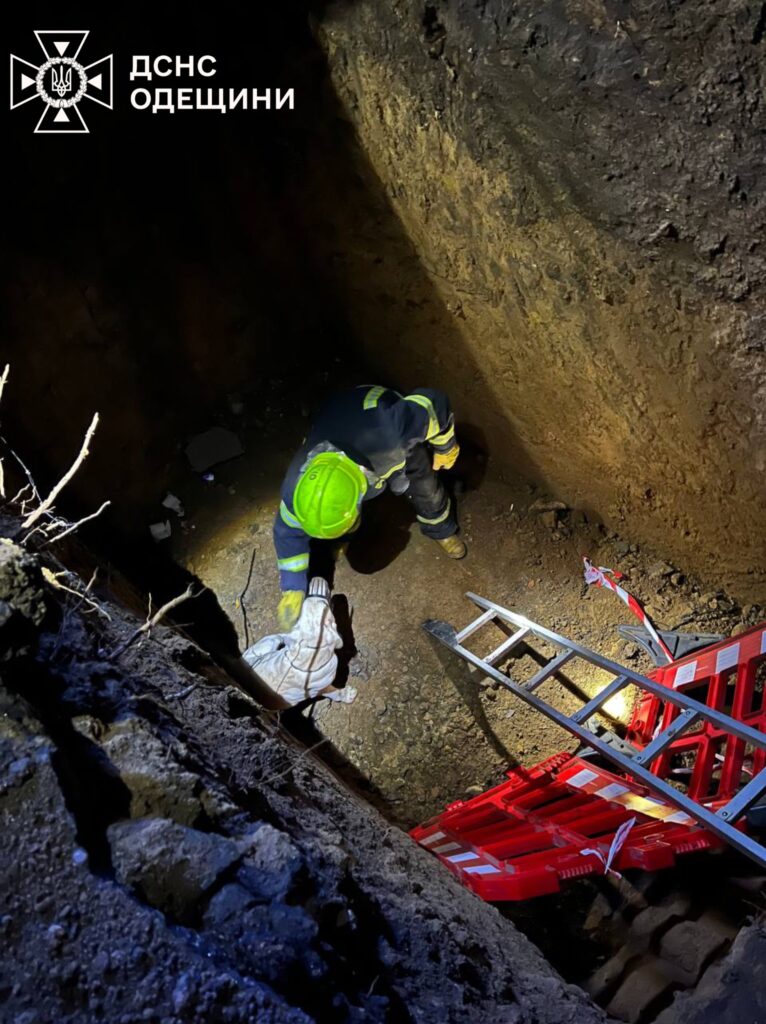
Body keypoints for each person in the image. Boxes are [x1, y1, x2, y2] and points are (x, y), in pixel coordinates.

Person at [273, 384, 465, 630]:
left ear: (362, 490)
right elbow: (287, 532)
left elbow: (436, 403)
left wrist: (445, 446)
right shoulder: (297, 488)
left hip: (375, 411)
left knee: (423, 485)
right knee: (347, 507)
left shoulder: (393, 428)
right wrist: (292, 587)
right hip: (337, 417)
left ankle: (442, 529)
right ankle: (345, 534)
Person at [242, 577, 355, 705]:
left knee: (271, 643)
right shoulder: (323, 672)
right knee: (318, 686)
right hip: (260, 683)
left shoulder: (295, 638)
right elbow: (322, 688)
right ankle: (340, 695)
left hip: (256, 676)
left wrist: (284, 637)